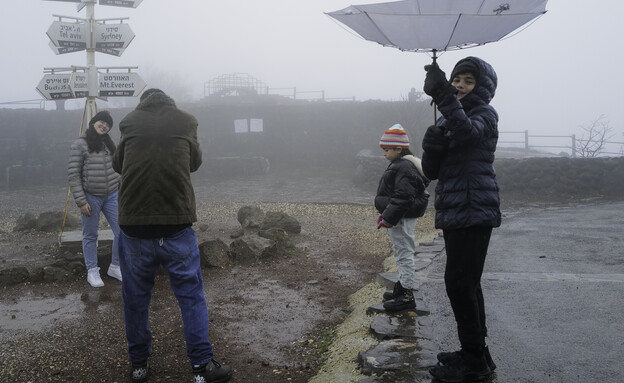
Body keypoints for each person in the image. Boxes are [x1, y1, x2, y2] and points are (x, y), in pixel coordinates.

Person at [112, 88, 232, 383]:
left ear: (143, 104)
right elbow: (194, 163)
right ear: (170, 103)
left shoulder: (129, 121)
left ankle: (139, 366)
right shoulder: (186, 120)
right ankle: (202, 368)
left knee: (135, 300)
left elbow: (118, 165)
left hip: (134, 225)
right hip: (175, 225)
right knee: (191, 297)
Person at [421, 56, 501, 382]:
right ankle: (477, 354)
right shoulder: (447, 121)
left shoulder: (485, 114)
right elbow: (431, 173)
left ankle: (474, 366)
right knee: (467, 284)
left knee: (458, 284)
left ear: (480, 87)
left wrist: (442, 95)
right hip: (454, 211)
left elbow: (468, 133)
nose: (459, 86)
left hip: (474, 210)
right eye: (456, 80)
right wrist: (431, 148)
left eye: (467, 81)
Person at [375, 124, 429, 312]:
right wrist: (387, 214)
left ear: (398, 149)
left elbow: (403, 197)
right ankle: (401, 288)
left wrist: (388, 217)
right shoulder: (403, 165)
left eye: (387, 149)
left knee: (404, 252)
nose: (384, 153)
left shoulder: (403, 167)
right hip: (400, 216)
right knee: (401, 251)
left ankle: (406, 295)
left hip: (401, 218)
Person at [68, 110, 122, 287]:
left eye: (108, 124)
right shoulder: (80, 144)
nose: (104, 125)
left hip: (112, 194)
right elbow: (74, 174)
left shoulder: (109, 143)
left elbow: (117, 168)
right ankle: (92, 271)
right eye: (101, 122)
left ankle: (115, 266)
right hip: (91, 197)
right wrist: (81, 201)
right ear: (93, 122)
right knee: (91, 235)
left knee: (122, 232)